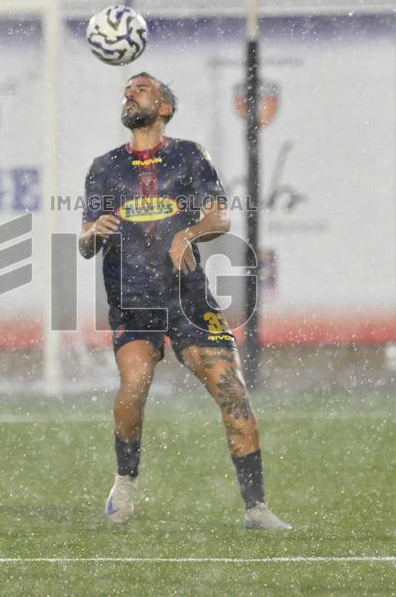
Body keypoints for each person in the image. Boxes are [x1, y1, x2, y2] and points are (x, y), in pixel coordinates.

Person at [79, 73, 290, 530]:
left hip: (188, 298)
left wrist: (188, 232)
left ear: (165, 107)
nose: (129, 94)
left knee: (232, 391)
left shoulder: (189, 156)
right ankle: (125, 482)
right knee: (134, 382)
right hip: (132, 298)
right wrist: (92, 232)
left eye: (140, 88)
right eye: (127, 90)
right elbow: (84, 241)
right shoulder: (104, 167)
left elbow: (220, 216)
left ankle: (255, 508)